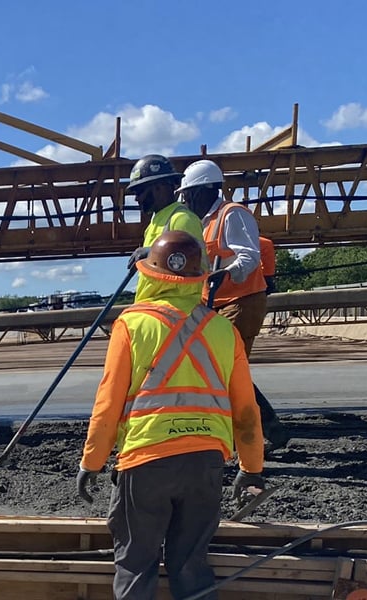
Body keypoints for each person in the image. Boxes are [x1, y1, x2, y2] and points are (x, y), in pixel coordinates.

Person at [77, 230, 265, 600]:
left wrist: (92, 461)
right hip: (205, 464)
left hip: (146, 463)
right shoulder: (225, 331)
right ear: (199, 279)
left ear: (150, 274)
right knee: (191, 567)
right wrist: (252, 468)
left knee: (135, 565)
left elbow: (108, 402)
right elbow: (246, 411)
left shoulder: (131, 325)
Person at [178, 159, 290, 451]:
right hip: (215, 305)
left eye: (187, 195)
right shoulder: (200, 224)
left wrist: (226, 272)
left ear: (203, 192)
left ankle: (261, 433)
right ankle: (265, 431)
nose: (185, 201)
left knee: (225, 370)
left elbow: (250, 255)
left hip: (242, 302)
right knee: (217, 369)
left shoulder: (232, 215)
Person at [124, 154, 205, 302]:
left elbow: (195, 269)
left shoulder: (182, 220)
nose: (137, 199)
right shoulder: (156, 222)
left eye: (139, 191)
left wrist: (153, 252)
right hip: (156, 308)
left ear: (159, 187)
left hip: (173, 310)